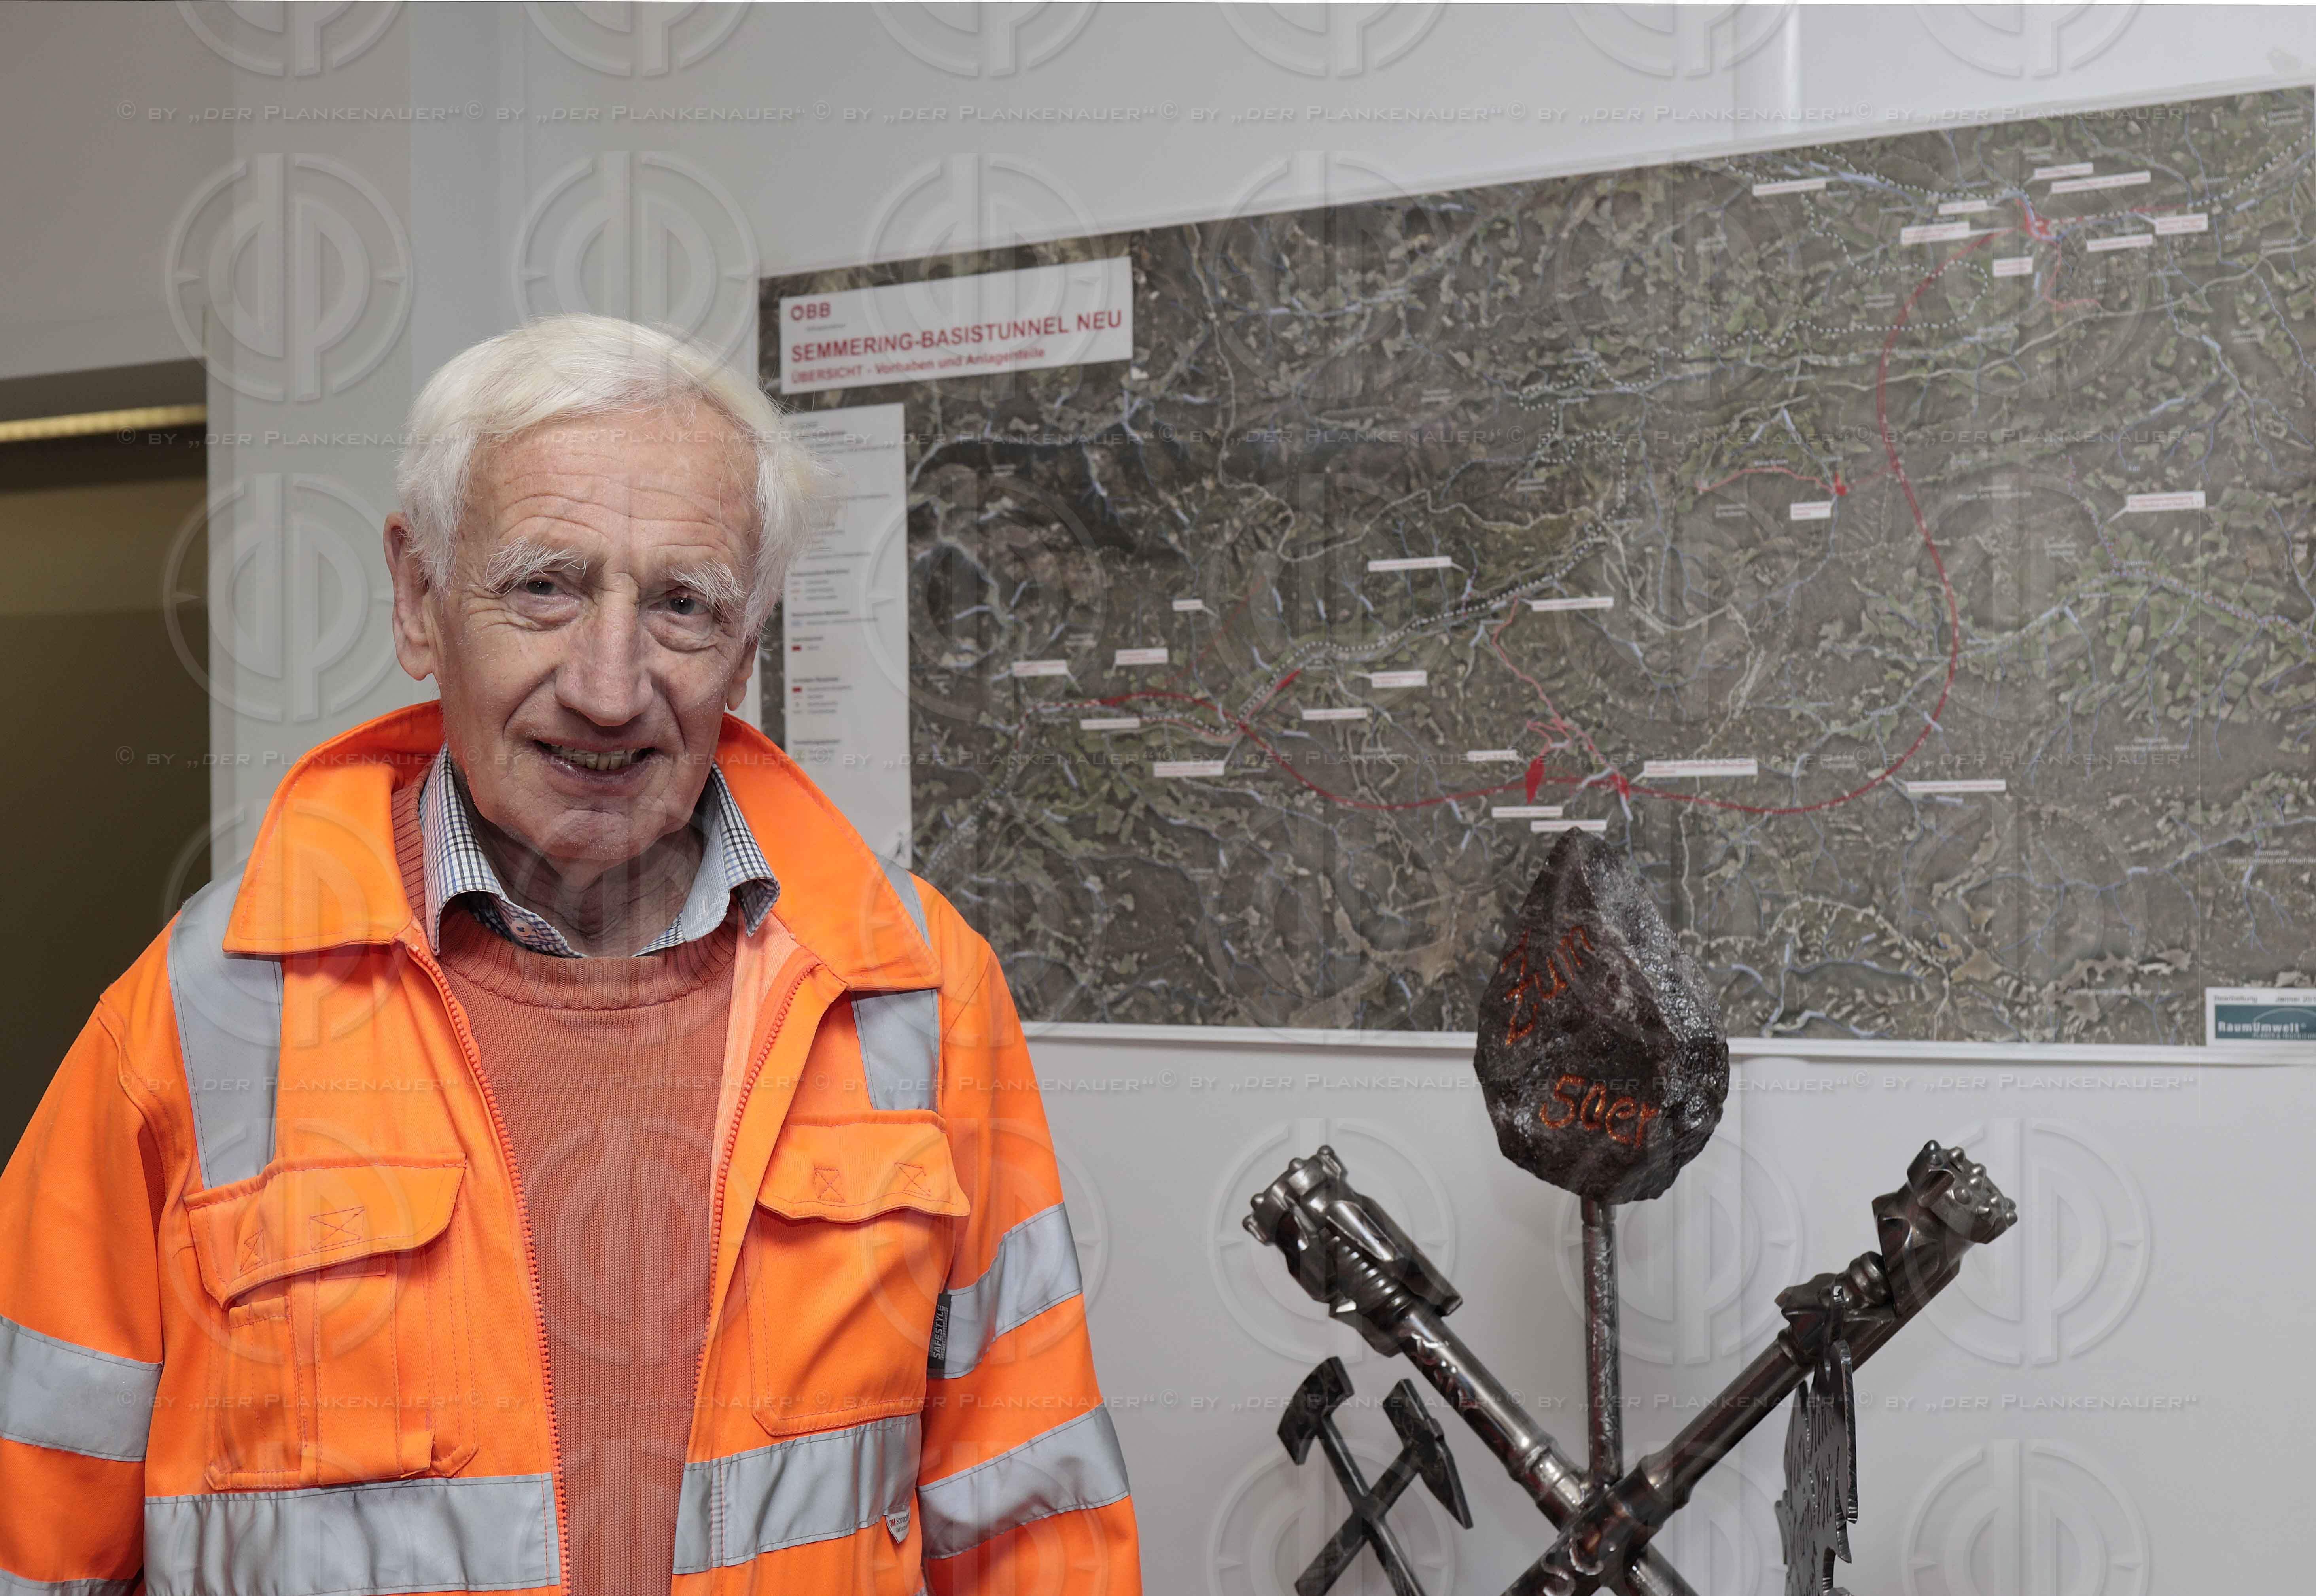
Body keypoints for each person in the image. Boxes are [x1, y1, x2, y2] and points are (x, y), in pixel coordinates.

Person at [0, 314, 1139, 1596]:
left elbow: (1037, 1525)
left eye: (683, 605)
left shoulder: (920, 992)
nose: (608, 686)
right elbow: (29, 1536)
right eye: (545, 586)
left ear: (747, 649)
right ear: (419, 599)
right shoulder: (202, 1010)